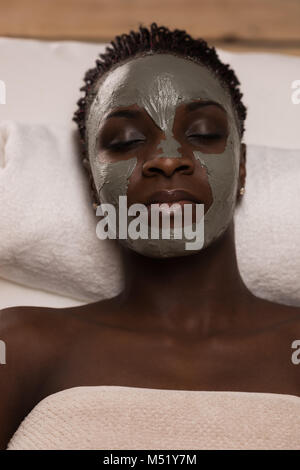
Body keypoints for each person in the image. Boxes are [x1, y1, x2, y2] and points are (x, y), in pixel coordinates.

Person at [0, 22, 299, 450]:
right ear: (92, 183)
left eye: (203, 134)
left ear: (243, 167)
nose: (166, 159)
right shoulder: (19, 342)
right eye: (126, 141)